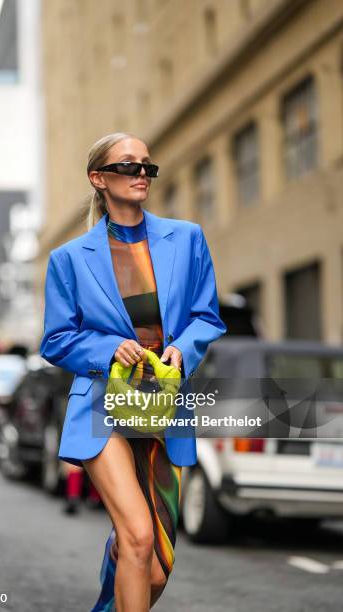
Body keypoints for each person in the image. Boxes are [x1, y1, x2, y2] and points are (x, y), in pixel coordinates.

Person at [40, 132, 227, 611]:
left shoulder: (186, 239)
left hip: (164, 406)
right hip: (102, 407)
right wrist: (106, 348)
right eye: (128, 165)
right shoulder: (69, 260)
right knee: (139, 538)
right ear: (98, 179)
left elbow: (207, 316)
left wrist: (184, 349)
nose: (141, 173)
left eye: (147, 165)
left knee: (156, 568)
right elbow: (56, 340)